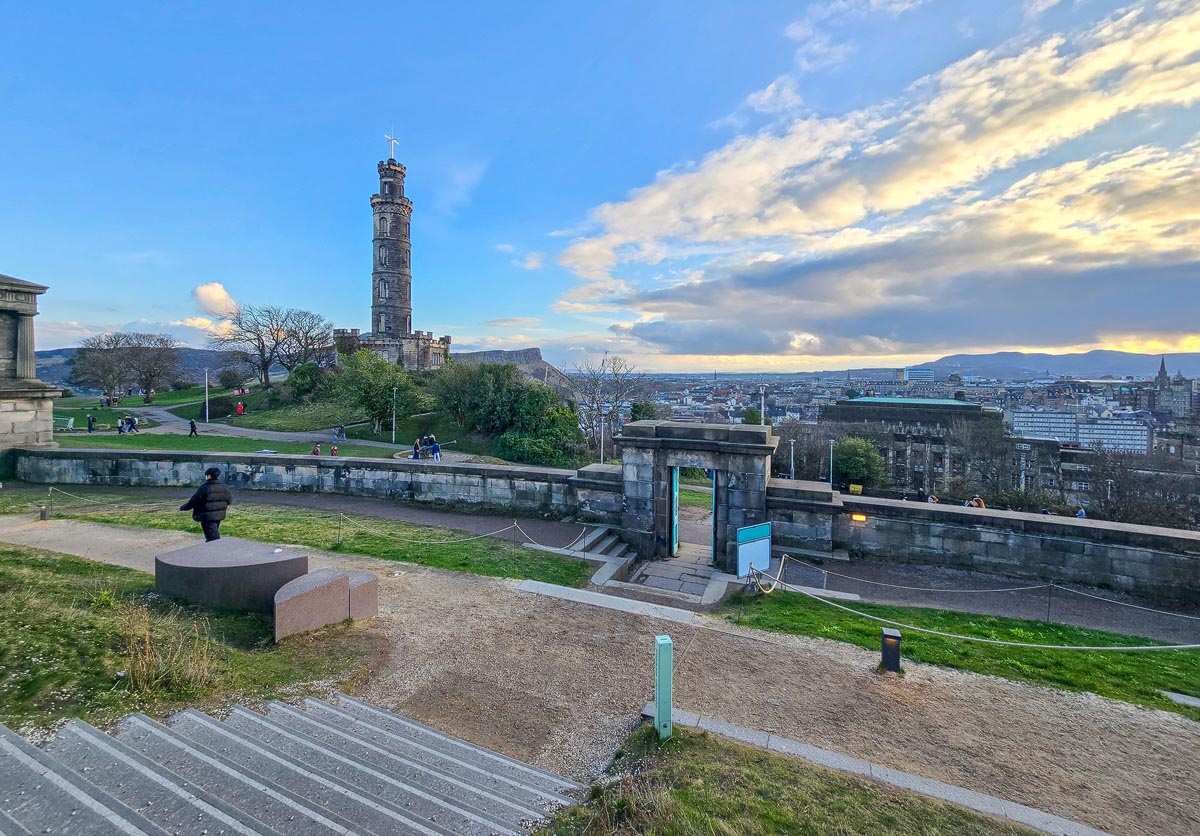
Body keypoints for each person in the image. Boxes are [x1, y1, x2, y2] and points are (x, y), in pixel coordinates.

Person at [179, 467, 232, 542]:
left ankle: (215, 552)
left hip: (207, 517)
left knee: (213, 539)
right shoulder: (224, 487)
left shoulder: (205, 488)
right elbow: (229, 500)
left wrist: (182, 508)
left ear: (209, 476)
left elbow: (193, 501)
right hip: (219, 516)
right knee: (213, 535)